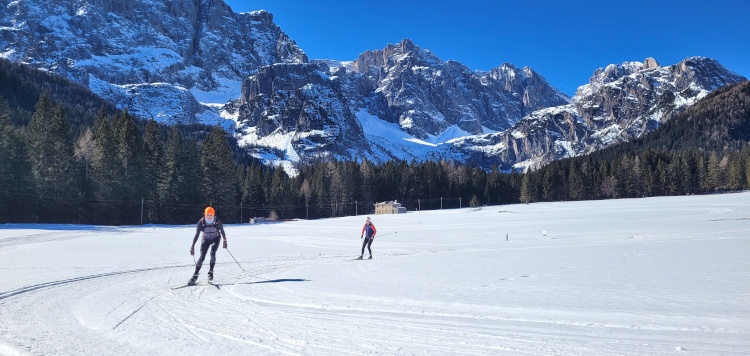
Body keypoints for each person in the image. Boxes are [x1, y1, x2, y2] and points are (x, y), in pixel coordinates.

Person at [188, 206, 227, 285]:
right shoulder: (201, 222)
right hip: (205, 239)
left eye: (211, 215)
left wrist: (224, 240)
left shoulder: (217, 221)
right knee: (202, 256)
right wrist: (192, 246)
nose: (209, 216)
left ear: (213, 215)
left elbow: (222, 231)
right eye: (207, 215)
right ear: (205, 214)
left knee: (212, 253)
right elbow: (197, 234)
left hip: (215, 238)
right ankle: (195, 275)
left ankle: (210, 272)